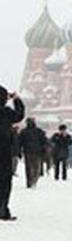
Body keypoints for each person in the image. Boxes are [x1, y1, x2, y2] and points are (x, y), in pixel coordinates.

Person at [0, 87, 25, 221]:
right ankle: (3, 209)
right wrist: (16, 100)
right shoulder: (6, 113)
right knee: (4, 182)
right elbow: (19, 115)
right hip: (4, 152)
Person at [18, 118, 47, 189]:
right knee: (36, 167)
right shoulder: (39, 131)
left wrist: (19, 151)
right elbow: (44, 141)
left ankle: (29, 181)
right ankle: (34, 180)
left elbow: (19, 142)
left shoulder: (23, 131)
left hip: (27, 151)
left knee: (28, 167)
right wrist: (44, 150)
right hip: (37, 151)